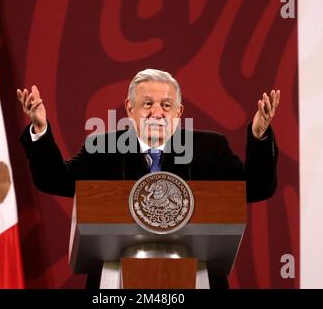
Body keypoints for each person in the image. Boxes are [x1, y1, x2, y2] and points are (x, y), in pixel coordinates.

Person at [17, 69, 280, 289]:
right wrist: (40, 130)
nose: (157, 113)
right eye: (147, 104)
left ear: (178, 112)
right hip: (114, 280)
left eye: (167, 105)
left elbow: (256, 187)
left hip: (199, 278)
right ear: (130, 109)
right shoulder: (103, 148)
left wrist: (259, 136)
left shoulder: (209, 148)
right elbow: (55, 180)